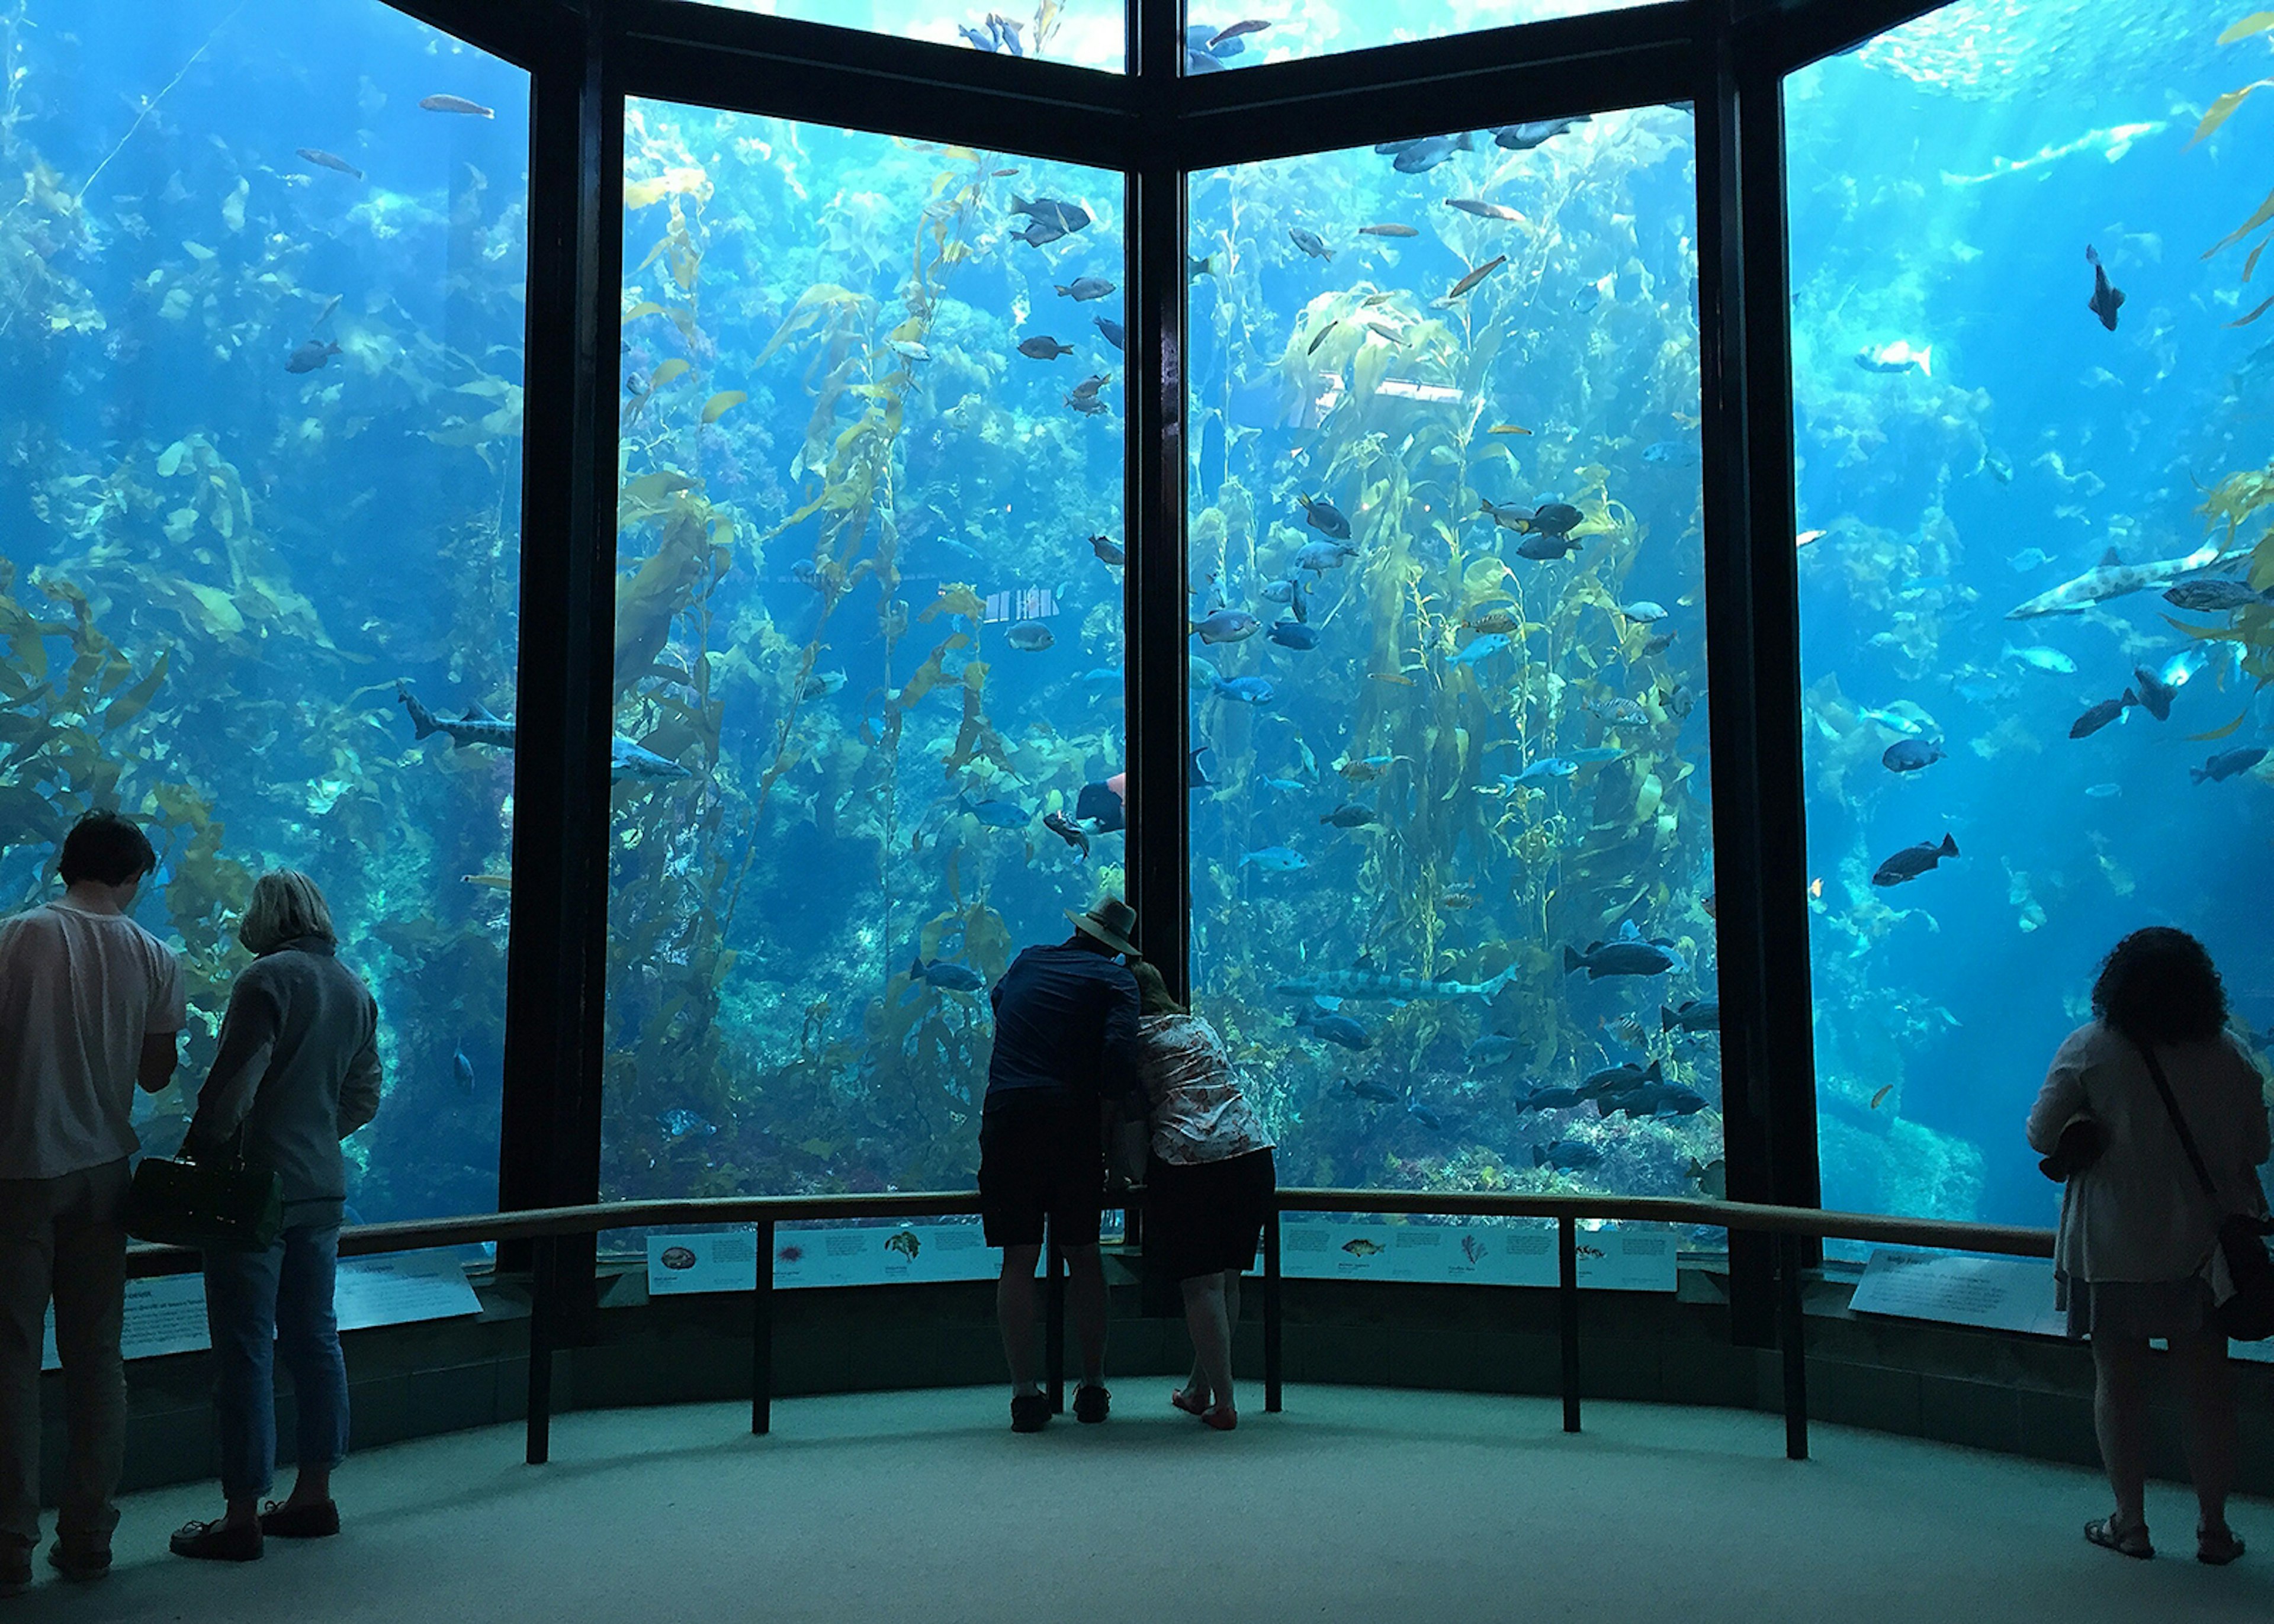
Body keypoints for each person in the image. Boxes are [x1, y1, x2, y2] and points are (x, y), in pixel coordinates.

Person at [2025, 927, 2270, 1566]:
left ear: (2116, 985)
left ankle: (2129, 1523)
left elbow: (2039, 1133)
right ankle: (2214, 1529)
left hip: (2112, 1249)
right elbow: (2260, 1149)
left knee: (2119, 1383)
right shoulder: (2230, 1055)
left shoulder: (2089, 1049)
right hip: (2204, 1258)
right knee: (2207, 1391)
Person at [169, 870, 381, 1564]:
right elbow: (364, 1094)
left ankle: (239, 1515)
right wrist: (315, 1133)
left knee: (246, 1349)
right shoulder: (354, 988)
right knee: (316, 1339)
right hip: (321, 1187)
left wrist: (200, 1154)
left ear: (265, 917)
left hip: (253, 1191)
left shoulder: (265, 981)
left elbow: (236, 1081)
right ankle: (313, 1493)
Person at [0, 812, 184, 1596]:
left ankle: (8, 1542)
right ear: (133, 874)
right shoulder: (153, 952)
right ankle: (89, 1536)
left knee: (9, 1355)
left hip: (17, 1166)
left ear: (67, 864)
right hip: (106, 1171)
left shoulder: (14, 936)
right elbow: (154, 1074)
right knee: (96, 1356)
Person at [979, 896, 1142, 1433]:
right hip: (1069, 1121)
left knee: (1018, 1258)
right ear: (1116, 948)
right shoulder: (1117, 982)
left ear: (1080, 929)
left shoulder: (1028, 959)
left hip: (1006, 1116)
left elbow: (1001, 1002)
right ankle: (1092, 1386)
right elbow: (1117, 1059)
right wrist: (1114, 1149)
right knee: (1083, 1254)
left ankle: (1025, 1395)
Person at [1129, 960, 1274, 1432]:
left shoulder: (1134, 1039)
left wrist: (1130, 1171)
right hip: (1251, 1153)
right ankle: (1201, 1388)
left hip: (1191, 1160)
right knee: (1228, 1281)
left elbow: (1128, 1116)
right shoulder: (1199, 1026)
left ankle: (1225, 1402)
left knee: (1202, 1286)